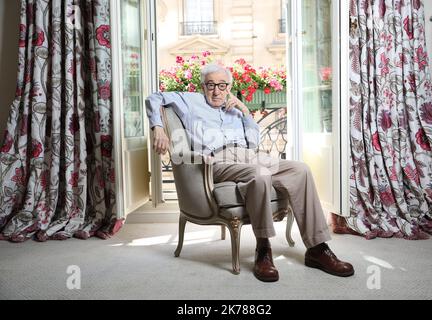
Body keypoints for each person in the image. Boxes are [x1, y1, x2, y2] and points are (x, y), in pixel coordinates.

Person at [146, 63, 354, 282]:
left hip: (248, 156)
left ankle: (317, 248)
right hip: (216, 160)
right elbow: (154, 98)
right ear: (203, 86)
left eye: (222, 85)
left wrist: (245, 111)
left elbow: (253, 142)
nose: (216, 91)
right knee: (260, 173)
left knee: (300, 169)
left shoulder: (235, 108)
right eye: (210, 85)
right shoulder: (191, 101)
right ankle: (263, 248)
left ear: (229, 86)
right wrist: (157, 128)